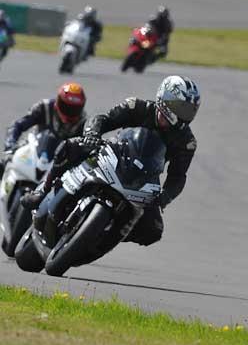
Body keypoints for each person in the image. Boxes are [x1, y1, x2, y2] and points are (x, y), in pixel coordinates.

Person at [23, 75, 200, 247]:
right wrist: (92, 134)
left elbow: (178, 176)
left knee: (153, 231)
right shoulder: (137, 107)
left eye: (190, 110)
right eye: (182, 107)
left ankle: (106, 234)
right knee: (70, 147)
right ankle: (42, 190)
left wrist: (164, 197)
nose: (186, 115)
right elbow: (103, 119)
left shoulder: (186, 141)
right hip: (114, 154)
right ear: (165, 100)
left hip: (145, 178)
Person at [1, 82, 87, 176]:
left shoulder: (83, 122)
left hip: (60, 161)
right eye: (66, 106)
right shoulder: (44, 107)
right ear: (58, 101)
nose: (70, 111)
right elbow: (18, 125)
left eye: (74, 109)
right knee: (5, 163)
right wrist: (10, 146)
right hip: (33, 149)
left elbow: (84, 148)